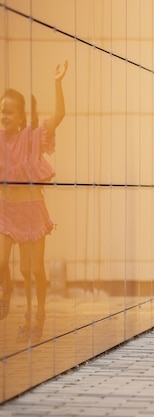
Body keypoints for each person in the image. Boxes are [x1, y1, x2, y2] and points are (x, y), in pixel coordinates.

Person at [0, 61, 68, 342]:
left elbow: (60, 115)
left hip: (30, 212)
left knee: (32, 270)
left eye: (8, 112)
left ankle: (37, 313)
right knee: (1, 261)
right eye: (1, 110)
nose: (3, 115)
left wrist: (57, 82)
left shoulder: (31, 138)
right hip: (5, 211)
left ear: (20, 117)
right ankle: (6, 290)